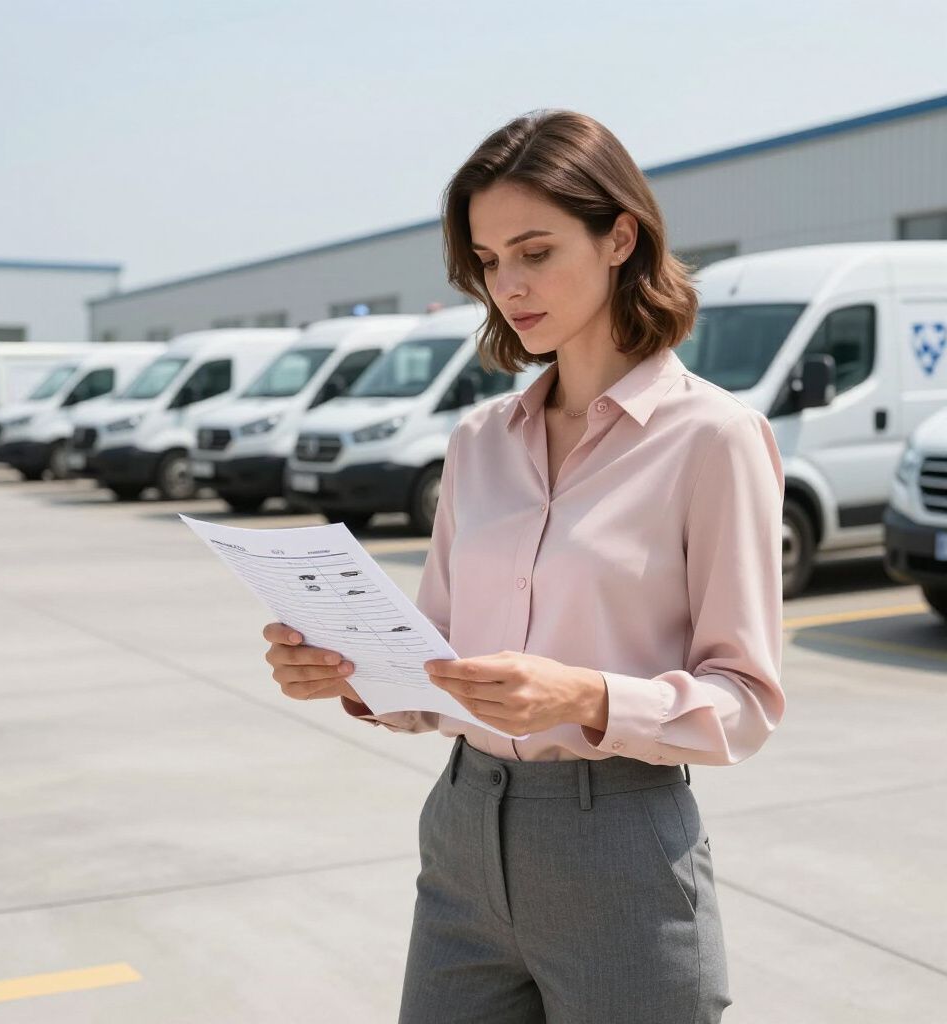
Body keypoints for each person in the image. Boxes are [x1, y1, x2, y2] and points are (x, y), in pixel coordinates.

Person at [262, 109, 786, 1023]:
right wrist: (349, 674)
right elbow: (437, 673)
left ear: (620, 234)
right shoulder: (479, 443)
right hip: (464, 831)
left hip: (617, 843)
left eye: (536, 251)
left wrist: (585, 697)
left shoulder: (715, 439)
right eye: (489, 260)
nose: (510, 285)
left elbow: (744, 703)